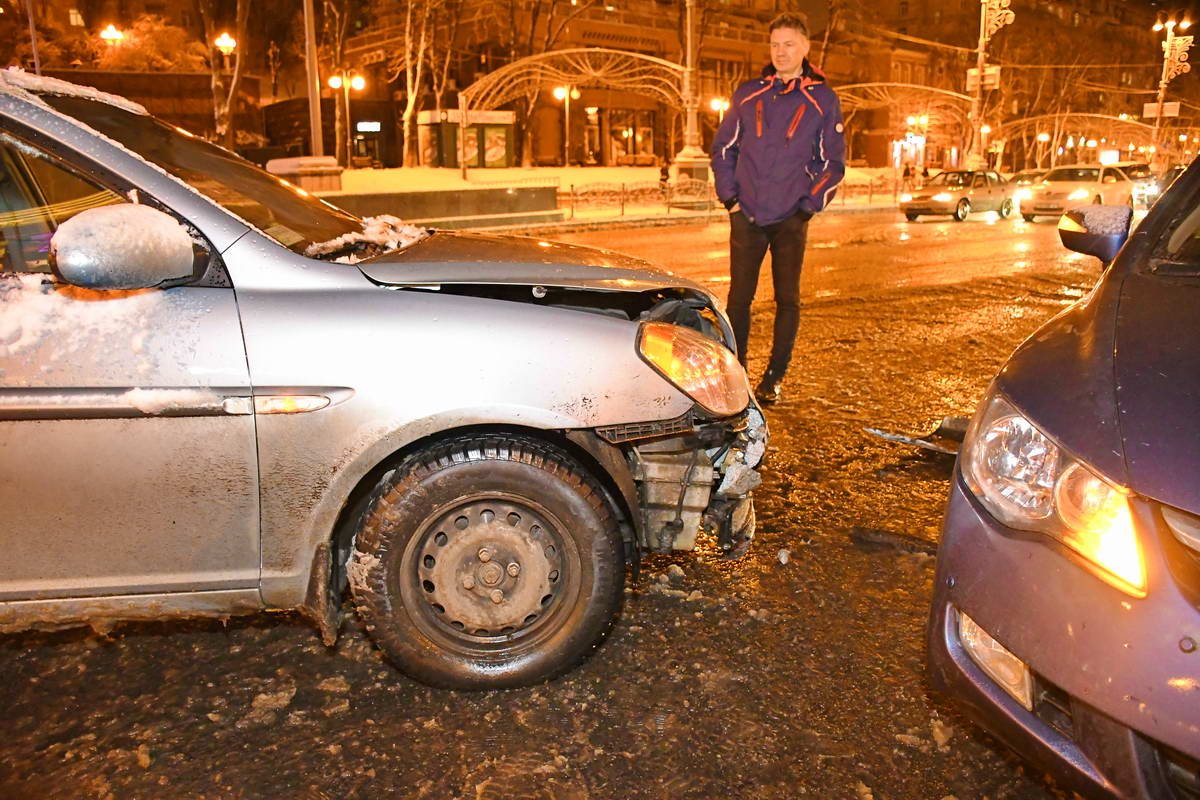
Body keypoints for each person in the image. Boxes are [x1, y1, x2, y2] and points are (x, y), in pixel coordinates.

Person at [711, 12, 845, 406]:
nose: (781, 52)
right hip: (747, 215)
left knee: (788, 299)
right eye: (775, 44)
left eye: (789, 44)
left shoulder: (822, 99)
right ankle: (738, 373)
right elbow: (723, 149)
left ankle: (774, 377)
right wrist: (731, 200)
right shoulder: (749, 93)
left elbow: (832, 163)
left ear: (805, 47)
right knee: (739, 299)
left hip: (790, 217)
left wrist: (806, 208)